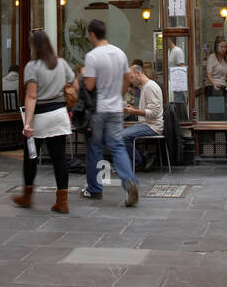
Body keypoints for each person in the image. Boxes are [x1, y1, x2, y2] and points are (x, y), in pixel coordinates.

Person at [12, 29, 74, 213]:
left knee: (30, 157)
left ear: (34, 46)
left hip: (41, 116)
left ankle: (27, 196)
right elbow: (74, 82)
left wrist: (27, 123)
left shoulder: (32, 66)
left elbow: (31, 96)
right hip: (60, 115)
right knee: (59, 159)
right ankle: (62, 201)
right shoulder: (61, 63)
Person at [80, 19, 139, 206]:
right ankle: (128, 180)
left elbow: (89, 85)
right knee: (118, 146)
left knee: (94, 149)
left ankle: (94, 189)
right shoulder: (120, 53)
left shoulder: (92, 56)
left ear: (91, 34)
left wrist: (83, 76)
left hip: (98, 109)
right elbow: (127, 79)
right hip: (115, 108)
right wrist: (119, 95)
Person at [123, 59, 164, 171]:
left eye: (131, 77)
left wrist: (134, 111)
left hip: (152, 126)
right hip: (147, 123)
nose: (131, 81)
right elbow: (147, 109)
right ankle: (145, 156)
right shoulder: (145, 87)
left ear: (138, 73)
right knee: (122, 134)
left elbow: (153, 112)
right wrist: (133, 108)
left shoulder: (150, 87)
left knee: (123, 136)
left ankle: (139, 161)